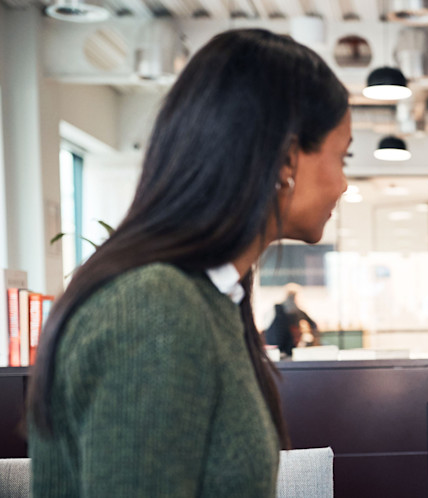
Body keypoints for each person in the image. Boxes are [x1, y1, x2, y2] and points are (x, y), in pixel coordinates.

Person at [26, 29, 350, 496]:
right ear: (285, 159)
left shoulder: (211, 299)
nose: (343, 183)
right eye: (342, 156)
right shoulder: (155, 309)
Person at [265, 283, 320, 356]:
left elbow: (313, 325)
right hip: (282, 347)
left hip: (282, 348)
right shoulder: (279, 310)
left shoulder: (277, 309)